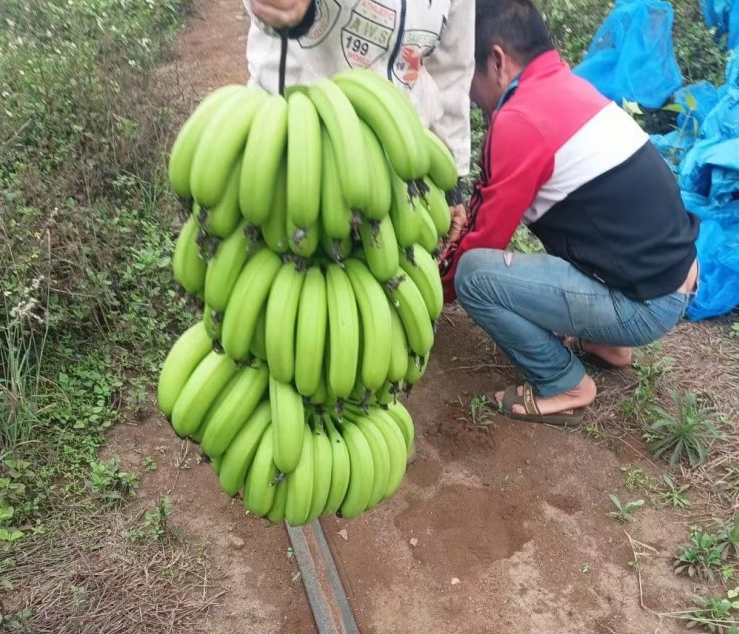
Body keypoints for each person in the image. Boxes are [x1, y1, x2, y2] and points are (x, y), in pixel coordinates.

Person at [440, 0, 700, 426]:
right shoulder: (565, 89)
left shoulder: (519, 118)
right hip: (674, 279)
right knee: (579, 227)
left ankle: (563, 382)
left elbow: (484, 240)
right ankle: (608, 346)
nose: (469, 97)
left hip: (645, 304)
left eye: (467, 80)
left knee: (474, 275)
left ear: (496, 60)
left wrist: (434, 292)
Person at [243, 0, 475, 239]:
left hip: (391, 161)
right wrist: (287, 12)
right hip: (292, 143)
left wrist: (451, 178)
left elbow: (452, 69)